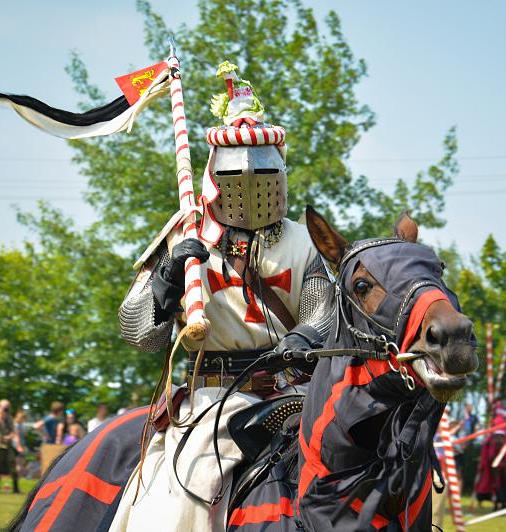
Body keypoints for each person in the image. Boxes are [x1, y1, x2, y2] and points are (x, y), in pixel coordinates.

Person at [110, 61, 332, 531]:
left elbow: (326, 314)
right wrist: (167, 281)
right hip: (212, 400)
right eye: (238, 178)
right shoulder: (185, 235)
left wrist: (307, 337)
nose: (252, 188)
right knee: (175, 504)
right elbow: (137, 331)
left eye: (264, 175)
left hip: (296, 393)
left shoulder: (303, 241)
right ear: (216, 177)